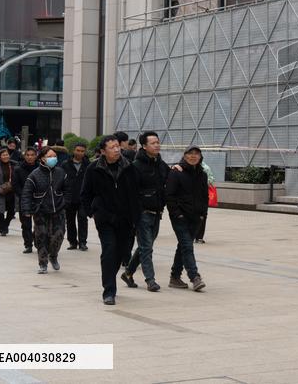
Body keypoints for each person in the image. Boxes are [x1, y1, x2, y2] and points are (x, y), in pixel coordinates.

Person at [81, 135, 140, 306]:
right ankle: (109, 291)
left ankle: (109, 278)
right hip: (105, 218)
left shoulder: (129, 167)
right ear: (102, 151)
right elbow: (85, 193)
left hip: (126, 219)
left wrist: (136, 218)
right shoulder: (94, 168)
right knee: (109, 250)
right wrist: (92, 212)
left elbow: (136, 194)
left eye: (117, 146)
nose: (116, 150)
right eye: (112, 147)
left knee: (121, 253)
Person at [122, 131, 169, 292]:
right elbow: (130, 192)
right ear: (144, 146)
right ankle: (150, 280)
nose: (157, 145)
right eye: (153, 143)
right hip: (142, 213)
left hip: (157, 211)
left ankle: (128, 272)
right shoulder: (136, 166)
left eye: (157, 142)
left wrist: (179, 167)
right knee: (147, 247)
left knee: (144, 247)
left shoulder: (161, 164)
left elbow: (169, 180)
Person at [165, 145, 208, 291]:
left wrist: (203, 214)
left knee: (183, 246)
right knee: (187, 246)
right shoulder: (176, 172)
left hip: (196, 217)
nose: (193, 156)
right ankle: (194, 277)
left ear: (200, 157)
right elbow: (169, 196)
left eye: (196, 154)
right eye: (190, 153)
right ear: (184, 155)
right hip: (180, 217)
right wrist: (177, 214)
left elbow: (205, 196)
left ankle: (175, 277)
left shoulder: (202, 174)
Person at [21, 147, 67, 273]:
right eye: (50, 156)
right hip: (40, 210)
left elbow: (67, 189)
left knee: (59, 234)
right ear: (42, 158)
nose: (53, 159)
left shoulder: (61, 172)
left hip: (58, 209)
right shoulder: (34, 175)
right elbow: (26, 193)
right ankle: (43, 264)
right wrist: (26, 210)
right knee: (42, 237)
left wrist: (65, 202)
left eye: (55, 156)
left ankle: (53, 255)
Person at [62, 143, 90, 251]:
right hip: (69, 196)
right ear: (73, 151)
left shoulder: (88, 164)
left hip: (83, 197)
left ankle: (83, 242)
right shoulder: (65, 164)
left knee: (83, 219)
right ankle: (72, 242)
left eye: (82, 151)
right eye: (78, 150)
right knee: (70, 220)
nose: (80, 153)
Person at [12, 147, 39, 254]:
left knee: (39, 223)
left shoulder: (40, 167)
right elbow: (15, 185)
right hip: (24, 200)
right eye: (28, 155)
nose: (30, 157)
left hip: (38, 199)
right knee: (26, 224)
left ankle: (38, 241)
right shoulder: (18, 169)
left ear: (36, 156)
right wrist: (24, 195)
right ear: (24, 156)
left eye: (32, 155)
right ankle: (28, 244)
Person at [195, 158, 215, 244]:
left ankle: (197, 236)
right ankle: (198, 237)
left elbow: (210, 179)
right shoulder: (185, 168)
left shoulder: (205, 168)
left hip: (200, 195)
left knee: (201, 215)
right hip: (200, 196)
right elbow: (211, 180)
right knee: (202, 216)